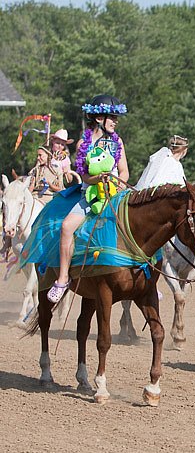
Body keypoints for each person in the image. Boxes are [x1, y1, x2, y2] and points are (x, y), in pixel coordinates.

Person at [46, 94, 130, 304]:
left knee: (138, 222)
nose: (115, 121)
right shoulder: (83, 142)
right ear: (99, 118)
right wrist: (98, 179)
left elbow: (125, 171)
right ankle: (63, 278)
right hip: (90, 196)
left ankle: (146, 279)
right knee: (66, 227)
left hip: (116, 195)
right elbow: (83, 176)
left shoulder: (117, 140)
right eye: (112, 116)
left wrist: (117, 184)